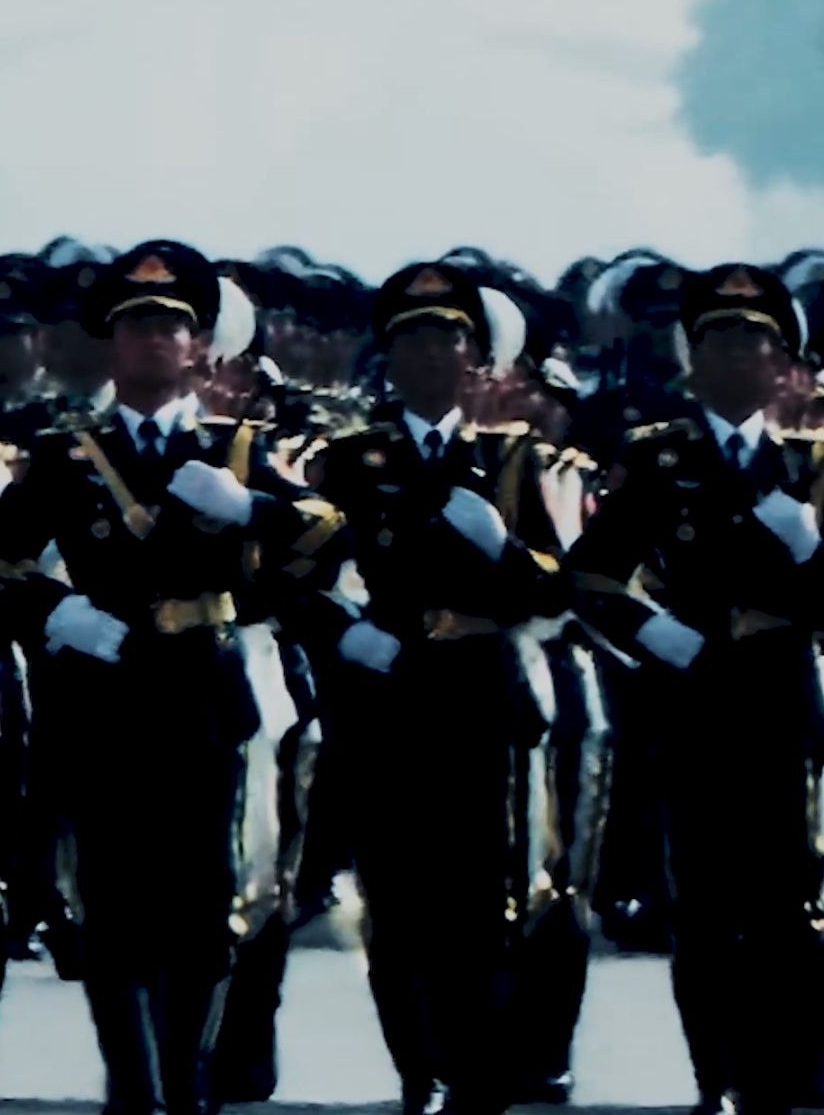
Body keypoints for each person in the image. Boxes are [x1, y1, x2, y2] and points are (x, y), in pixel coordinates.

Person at [0, 239, 351, 1115]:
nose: (152, 340)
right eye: (135, 325)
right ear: (111, 344)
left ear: (198, 347)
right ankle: (133, 1086)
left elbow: (329, 534)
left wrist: (252, 506)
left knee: (201, 901)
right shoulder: (68, 454)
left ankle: (186, 1080)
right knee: (111, 903)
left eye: (170, 326)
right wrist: (52, 612)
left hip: (200, 691)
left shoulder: (237, 447)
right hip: (100, 692)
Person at [305, 263, 573, 1115]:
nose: (431, 353)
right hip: (385, 695)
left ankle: (476, 1070)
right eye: (413, 337)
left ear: (474, 357)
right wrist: (342, 630)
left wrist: (501, 547)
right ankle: (417, 1070)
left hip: (478, 694)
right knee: (395, 896)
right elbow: (293, 573)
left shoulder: (511, 459)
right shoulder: (349, 461)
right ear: (388, 355)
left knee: (478, 895)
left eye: (448, 338)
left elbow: (555, 592)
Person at [564, 264, 824, 1115]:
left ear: (783, 364)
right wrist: (653, 632)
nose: (737, 357)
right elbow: (592, 576)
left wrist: (807, 545)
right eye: (719, 341)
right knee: (705, 904)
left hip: (784, 701)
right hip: (696, 702)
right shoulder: (659, 457)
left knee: (787, 902)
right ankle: (715, 1079)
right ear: (693, 359)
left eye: (754, 342)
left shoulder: (810, 463)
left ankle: (781, 1077)